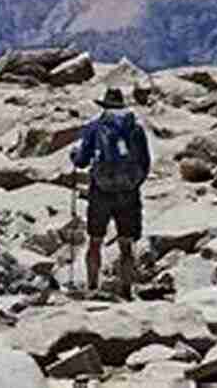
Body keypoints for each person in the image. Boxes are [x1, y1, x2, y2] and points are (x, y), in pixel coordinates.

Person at [69, 86, 151, 299]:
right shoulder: (135, 128)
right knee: (126, 243)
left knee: (95, 240)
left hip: (101, 191)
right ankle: (126, 289)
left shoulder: (95, 127)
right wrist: (133, 183)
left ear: (104, 105)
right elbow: (145, 162)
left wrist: (75, 156)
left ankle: (93, 287)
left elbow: (82, 161)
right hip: (128, 192)